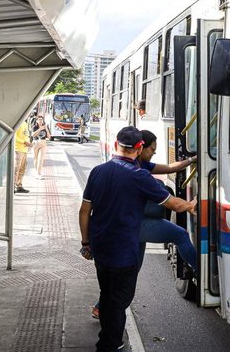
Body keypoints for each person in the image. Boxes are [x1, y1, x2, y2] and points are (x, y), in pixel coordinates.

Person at [79, 127, 196, 352]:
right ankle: (109, 345)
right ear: (140, 148)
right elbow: (173, 203)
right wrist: (190, 205)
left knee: (107, 292)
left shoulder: (98, 171)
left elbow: (84, 211)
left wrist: (86, 243)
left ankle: (107, 338)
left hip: (100, 246)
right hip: (123, 250)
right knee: (119, 300)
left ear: (116, 145)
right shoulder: (139, 176)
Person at [31, 115, 51, 179]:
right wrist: (40, 129)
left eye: (41, 120)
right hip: (36, 143)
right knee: (36, 158)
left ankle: (39, 173)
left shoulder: (45, 127)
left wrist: (46, 129)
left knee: (41, 159)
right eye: (39, 119)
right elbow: (33, 135)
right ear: (37, 121)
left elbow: (49, 137)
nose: (40, 121)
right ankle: (36, 171)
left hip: (43, 143)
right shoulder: (35, 127)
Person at [14, 120, 31, 193]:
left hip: (25, 150)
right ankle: (13, 186)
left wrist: (29, 143)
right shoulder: (18, 123)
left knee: (22, 169)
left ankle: (19, 186)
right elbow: (14, 136)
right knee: (16, 169)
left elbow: (26, 135)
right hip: (18, 149)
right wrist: (24, 142)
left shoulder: (25, 123)